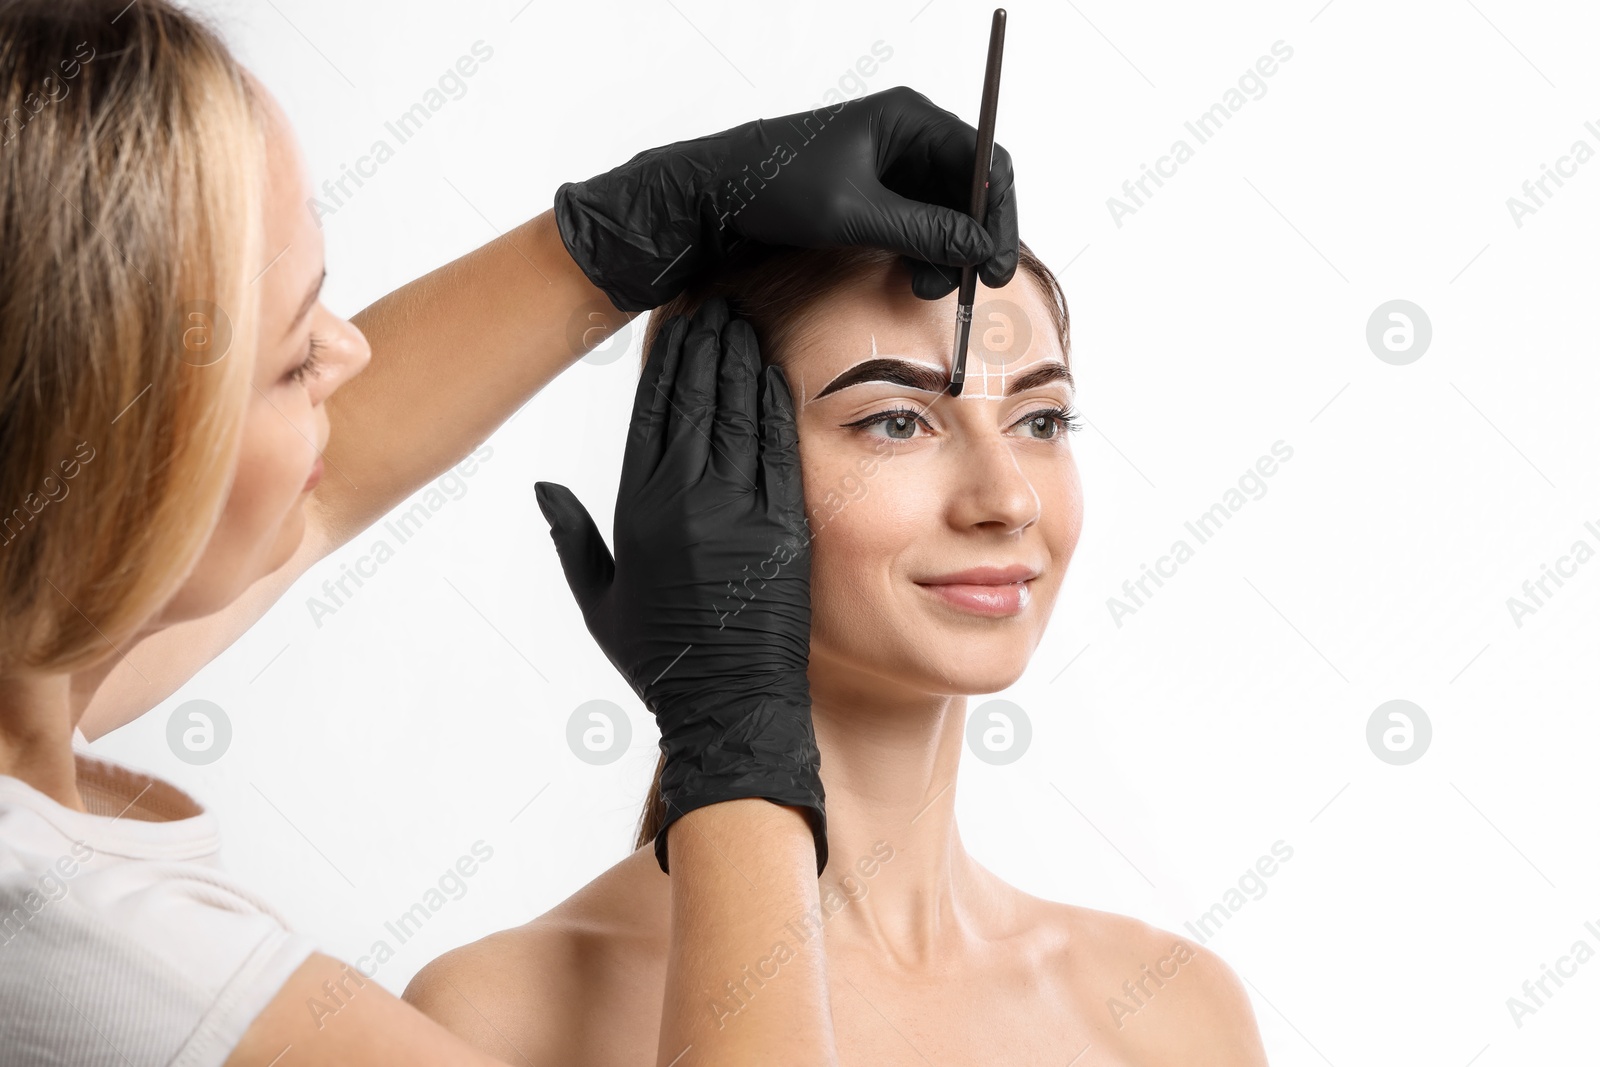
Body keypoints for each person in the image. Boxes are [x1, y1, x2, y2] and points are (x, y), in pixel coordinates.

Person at [0, 1, 1020, 1063]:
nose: (350, 357)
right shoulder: (94, 954)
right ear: (110, 461)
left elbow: (323, 472)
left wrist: (629, 230)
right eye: (295, 356)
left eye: (1044, 416)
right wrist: (736, 744)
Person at [406, 241, 1272, 1065]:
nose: (1007, 497)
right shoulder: (498, 1021)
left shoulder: (1176, 1012)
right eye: (898, 421)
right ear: (714, 480)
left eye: (1040, 418)